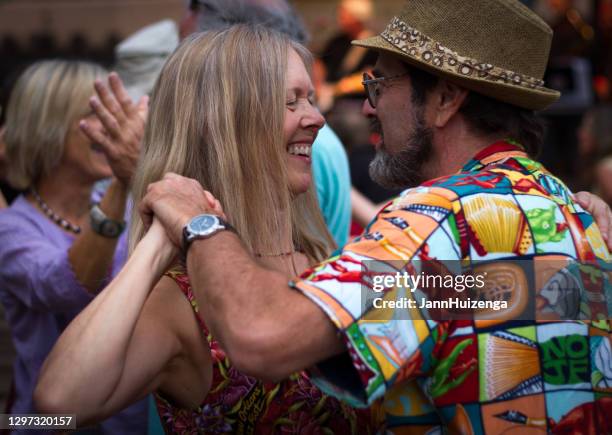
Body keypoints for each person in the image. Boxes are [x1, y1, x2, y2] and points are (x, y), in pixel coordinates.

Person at [130, 0, 612, 433]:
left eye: (379, 83)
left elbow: (262, 338)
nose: (366, 106)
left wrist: (201, 223)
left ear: (445, 99)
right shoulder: (571, 213)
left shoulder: (433, 223)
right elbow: (477, 298)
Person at [35, 26, 378, 434]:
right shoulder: (181, 301)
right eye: (290, 102)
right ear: (225, 125)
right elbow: (56, 407)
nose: (317, 119)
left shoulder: (326, 261)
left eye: (309, 98)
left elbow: (463, 305)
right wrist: (160, 240)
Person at [0, 60, 148, 433]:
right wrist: (122, 180)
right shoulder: (11, 229)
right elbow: (64, 288)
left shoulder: (127, 202)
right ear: (45, 128)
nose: (110, 129)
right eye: (94, 114)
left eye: (116, 114)